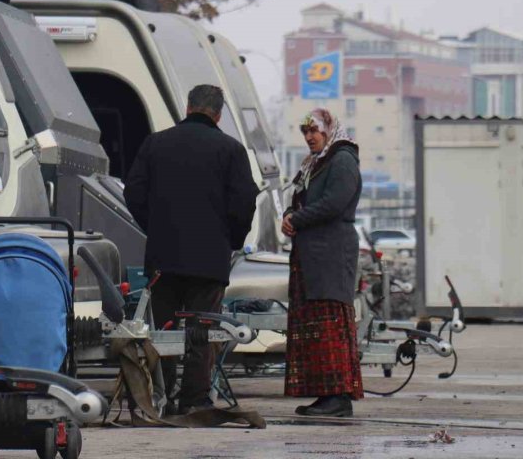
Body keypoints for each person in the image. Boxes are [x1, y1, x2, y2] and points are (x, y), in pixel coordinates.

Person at [124, 84, 258, 414]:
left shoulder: (156, 144)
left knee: (164, 330)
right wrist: (231, 240)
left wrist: (154, 228)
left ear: (187, 107)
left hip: (163, 258)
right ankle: (195, 400)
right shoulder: (231, 150)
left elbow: (134, 194)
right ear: (219, 114)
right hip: (209, 259)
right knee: (201, 330)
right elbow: (245, 203)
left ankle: (163, 396)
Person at [281, 108, 364, 417]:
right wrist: (289, 216)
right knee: (316, 325)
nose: (309, 137)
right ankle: (326, 394)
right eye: (305, 132)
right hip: (313, 256)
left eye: (314, 130)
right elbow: (302, 200)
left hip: (330, 254)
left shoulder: (342, 159)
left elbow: (334, 202)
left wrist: (297, 218)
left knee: (331, 324)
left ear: (329, 130)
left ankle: (338, 397)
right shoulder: (315, 164)